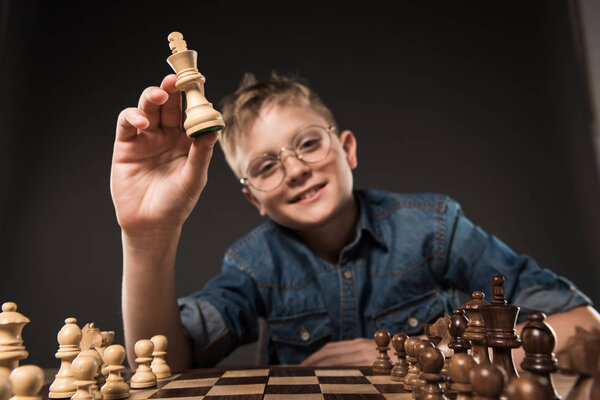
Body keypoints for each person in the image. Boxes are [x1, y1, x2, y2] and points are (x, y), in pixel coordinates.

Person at [110, 72, 599, 371]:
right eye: (265, 166)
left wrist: (424, 356)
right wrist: (147, 236)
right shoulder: (253, 263)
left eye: (307, 143)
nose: (296, 169)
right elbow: (162, 365)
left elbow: (584, 324)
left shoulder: (433, 227)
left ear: (347, 149)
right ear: (254, 200)